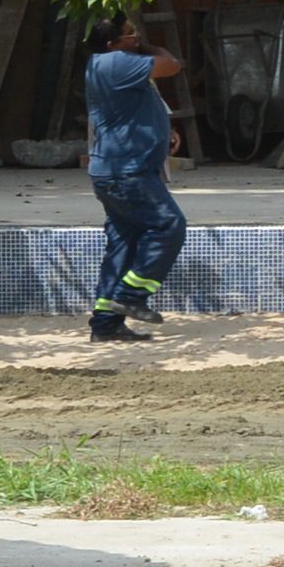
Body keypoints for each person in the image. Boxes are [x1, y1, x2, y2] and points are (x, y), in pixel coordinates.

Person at [82, 19, 188, 346]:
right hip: (128, 171)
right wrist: (148, 46)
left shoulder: (107, 63)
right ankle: (131, 295)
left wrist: (161, 131)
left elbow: (134, 107)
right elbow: (171, 65)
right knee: (169, 225)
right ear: (112, 43)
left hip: (113, 171)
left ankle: (105, 323)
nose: (136, 37)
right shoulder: (118, 61)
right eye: (129, 34)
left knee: (123, 245)